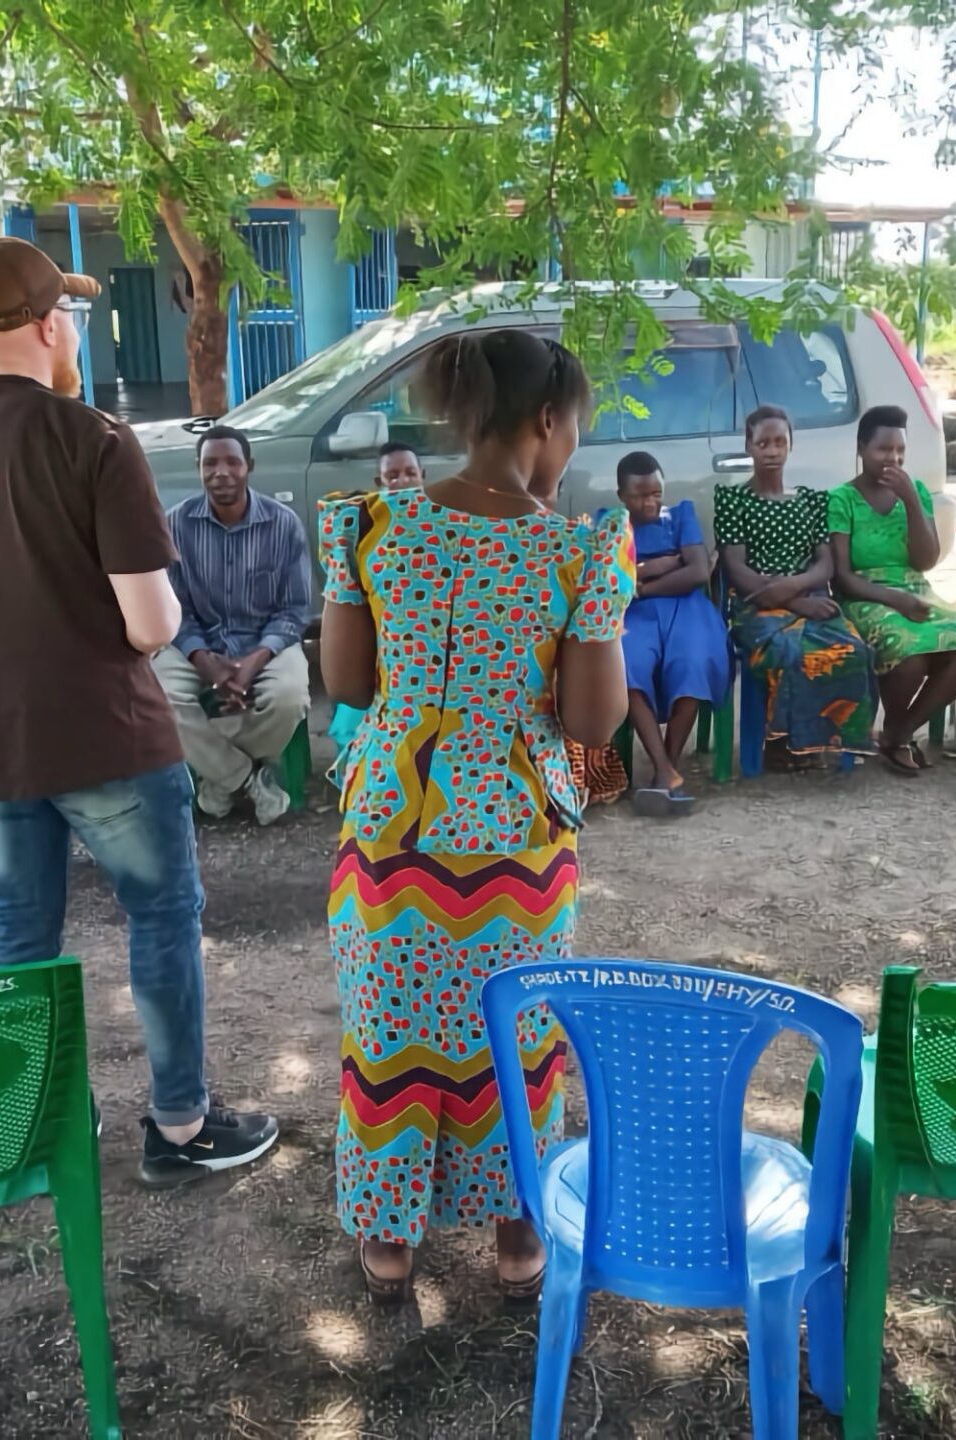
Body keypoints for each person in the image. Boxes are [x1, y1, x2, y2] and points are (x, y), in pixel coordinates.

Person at [0, 235, 277, 1187]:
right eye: (74, 320)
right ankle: (179, 1127)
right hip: (104, 736)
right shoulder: (93, 438)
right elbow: (148, 624)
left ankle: (37, 1124)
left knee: (18, 929)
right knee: (161, 918)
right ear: (51, 325)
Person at [319, 327, 633, 1301]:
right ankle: (514, 1237)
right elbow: (591, 720)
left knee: (390, 1027)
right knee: (519, 1032)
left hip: (391, 827)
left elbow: (348, 683)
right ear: (548, 420)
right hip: (513, 833)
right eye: (574, 426)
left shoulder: (372, 523)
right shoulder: (579, 548)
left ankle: (388, 1240)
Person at [151, 425, 312, 826]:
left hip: (266, 643)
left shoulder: (283, 524)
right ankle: (247, 778)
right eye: (210, 463)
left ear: (249, 467)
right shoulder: (176, 525)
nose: (221, 472)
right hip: (196, 643)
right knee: (158, 696)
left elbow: (294, 610)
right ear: (198, 469)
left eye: (232, 462)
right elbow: (174, 609)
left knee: (289, 697)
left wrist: (252, 664)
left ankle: (218, 779)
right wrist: (206, 662)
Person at [713, 404, 877, 761]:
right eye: (763, 443)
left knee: (855, 651)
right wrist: (793, 602)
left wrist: (797, 587)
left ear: (791, 445)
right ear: (748, 444)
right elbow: (736, 569)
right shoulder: (733, 501)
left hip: (810, 595)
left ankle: (831, 740)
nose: (772, 451)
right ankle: (782, 744)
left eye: (779, 442)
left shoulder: (809, 500)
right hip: (755, 605)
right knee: (788, 653)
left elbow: (825, 563)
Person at [828, 405, 956, 775]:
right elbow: (842, 577)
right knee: (911, 653)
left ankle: (898, 732)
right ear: (862, 448)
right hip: (865, 594)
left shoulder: (913, 491)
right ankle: (899, 737)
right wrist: (894, 598)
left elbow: (927, 559)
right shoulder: (842, 498)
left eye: (900, 451)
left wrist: (912, 502)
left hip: (916, 587)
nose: (893, 458)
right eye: (883, 450)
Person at [614, 451, 729, 814]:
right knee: (625, 665)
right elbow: (611, 577)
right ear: (621, 496)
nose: (650, 502)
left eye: (655, 493)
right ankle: (665, 772)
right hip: (633, 616)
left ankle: (668, 768)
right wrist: (662, 564)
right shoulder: (611, 523)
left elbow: (696, 573)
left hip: (687, 608)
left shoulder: (680, 514)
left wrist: (642, 581)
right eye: (639, 495)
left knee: (693, 662)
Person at [329, 444, 430, 755]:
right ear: (380, 483)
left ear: (423, 477)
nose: (402, 482)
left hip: (427, 653)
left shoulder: (442, 527)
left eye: (410, 473)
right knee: (350, 723)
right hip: (378, 649)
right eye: (392, 476)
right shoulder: (364, 531)